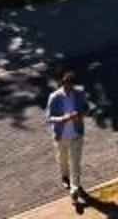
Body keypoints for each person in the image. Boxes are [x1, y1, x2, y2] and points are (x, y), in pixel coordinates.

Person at [45, 69, 89, 206]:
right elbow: (49, 118)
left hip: (76, 134)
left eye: (71, 85)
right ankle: (64, 175)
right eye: (66, 84)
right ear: (62, 82)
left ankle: (74, 189)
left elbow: (86, 108)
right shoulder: (54, 97)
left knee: (76, 163)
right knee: (63, 159)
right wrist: (62, 119)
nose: (69, 88)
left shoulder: (80, 93)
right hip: (61, 135)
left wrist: (79, 115)